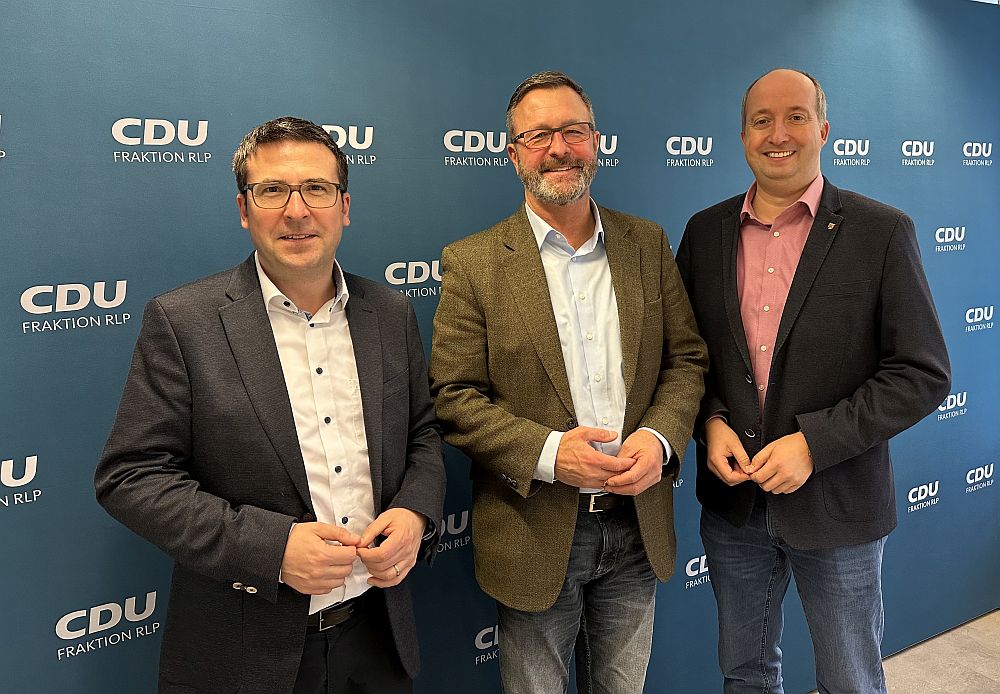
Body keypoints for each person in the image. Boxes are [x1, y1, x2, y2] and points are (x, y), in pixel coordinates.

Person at [95, 116, 446, 694]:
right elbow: (131, 478)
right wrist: (273, 548)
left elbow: (423, 435)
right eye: (273, 190)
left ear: (344, 206)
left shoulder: (390, 313)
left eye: (316, 189)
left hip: (378, 637)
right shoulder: (183, 323)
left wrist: (415, 514)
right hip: (244, 652)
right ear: (244, 208)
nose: (297, 210)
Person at [429, 71, 707, 693]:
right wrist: (553, 454)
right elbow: (454, 398)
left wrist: (660, 439)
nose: (559, 148)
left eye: (573, 131)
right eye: (538, 135)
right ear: (514, 154)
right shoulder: (473, 262)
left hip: (638, 523)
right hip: (533, 529)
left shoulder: (647, 243)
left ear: (596, 142)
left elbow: (686, 359)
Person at [675, 69, 951, 693]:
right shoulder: (704, 233)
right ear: (742, 137)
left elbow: (922, 371)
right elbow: (684, 356)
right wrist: (709, 420)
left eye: (796, 117)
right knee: (745, 675)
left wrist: (813, 444)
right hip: (735, 507)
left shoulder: (882, 231)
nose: (779, 134)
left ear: (824, 130)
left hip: (839, 505)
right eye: (762, 121)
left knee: (850, 681)